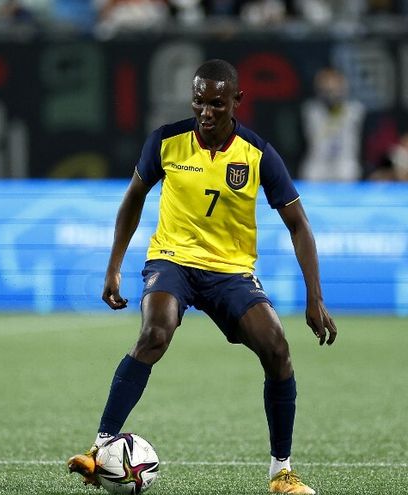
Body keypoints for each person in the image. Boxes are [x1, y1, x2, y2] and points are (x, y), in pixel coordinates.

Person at [66, 59, 337, 494]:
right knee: (155, 332)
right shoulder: (166, 141)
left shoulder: (257, 154)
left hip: (230, 271)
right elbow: (134, 198)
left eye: (216, 104)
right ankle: (99, 450)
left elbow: (299, 224)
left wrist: (315, 297)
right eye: (199, 102)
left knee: (277, 349)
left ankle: (281, 473)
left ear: (237, 100)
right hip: (172, 260)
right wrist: (113, 266)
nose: (206, 112)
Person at [299, 67, 365, 182]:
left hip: (346, 166)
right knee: (311, 172)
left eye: (334, 89)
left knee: (348, 170)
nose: (331, 94)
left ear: (343, 88)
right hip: (317, 166)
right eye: (326, 89)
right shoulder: (310, 111)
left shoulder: (355, 111)